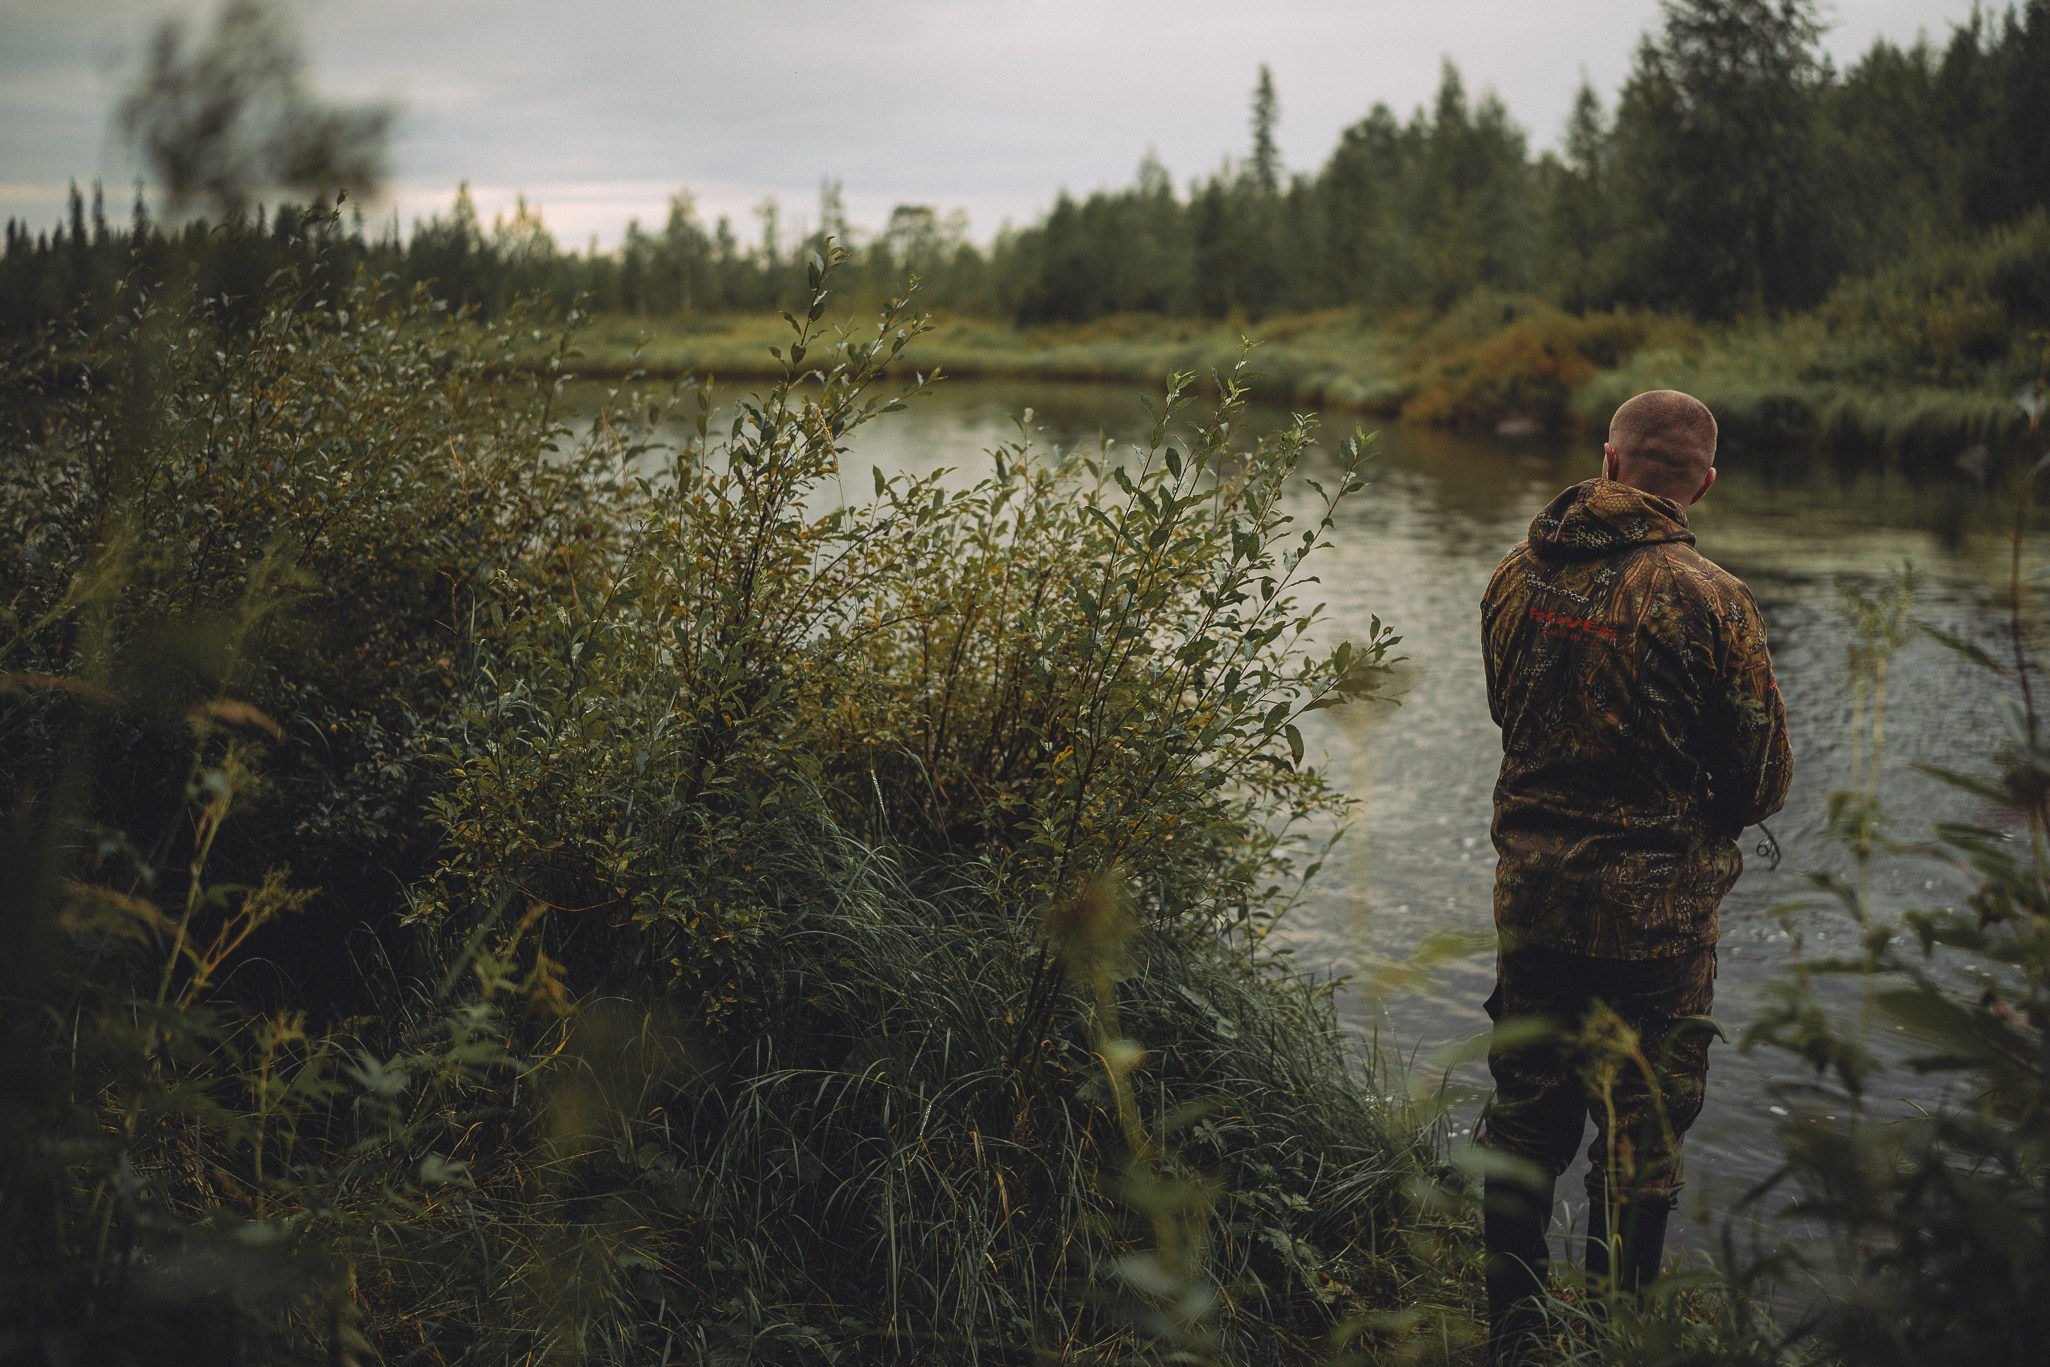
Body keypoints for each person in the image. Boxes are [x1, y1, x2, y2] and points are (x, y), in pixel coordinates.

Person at [1475, 390, 1792, 1360]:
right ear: (1698, 481)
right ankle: (1615, 1344)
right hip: (1655, 929)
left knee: (1524, 1123)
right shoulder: (1711, 600)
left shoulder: (1512, 578)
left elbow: (1508, 715)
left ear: (1609, 461)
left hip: (1532, 903)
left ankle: (1515, 1340)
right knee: (1638, 1143)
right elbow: (1761, 782)